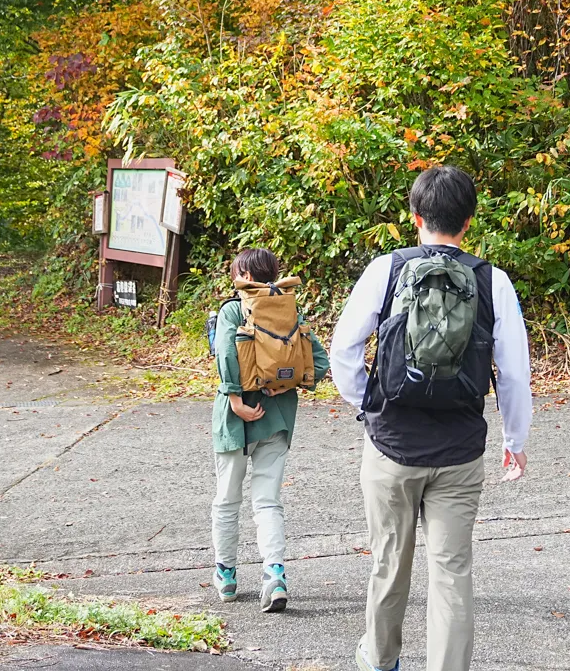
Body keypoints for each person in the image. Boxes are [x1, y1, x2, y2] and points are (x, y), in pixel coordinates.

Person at [330, 165, 533, 671]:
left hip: (391, 448)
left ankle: (380, 661)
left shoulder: (387, 269)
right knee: (452, 572)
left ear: (415, 217)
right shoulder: (493, 281)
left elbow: (343, 350)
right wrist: (516, 437)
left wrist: (368, 406)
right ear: (469, 222)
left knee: (387, 565)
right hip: (460, 454)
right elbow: (512, 372)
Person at [210, 246, 330, 612]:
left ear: (243, 275)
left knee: (227, 498)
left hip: (235, 419)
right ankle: (274, 573)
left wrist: (234, 399)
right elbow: (320, 362)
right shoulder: (290, 309)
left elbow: (226, 354)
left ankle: (227, 575)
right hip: (277, 416)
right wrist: (286, 385)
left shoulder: (233, 308)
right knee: (267, 501)